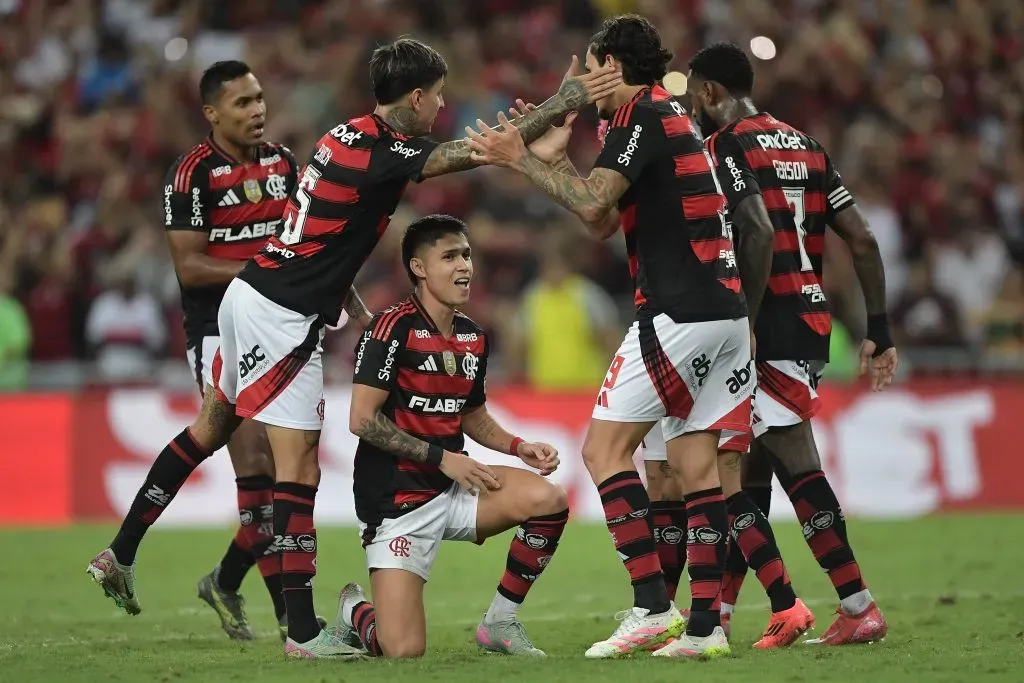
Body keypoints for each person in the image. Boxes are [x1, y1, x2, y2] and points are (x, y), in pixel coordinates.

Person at [90, 37, 621, 660]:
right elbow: (474, 152)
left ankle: (121, 550)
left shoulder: (347, 134)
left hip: (254, 297)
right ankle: (305, 632)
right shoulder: (384, 150)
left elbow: (335, 226)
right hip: (281, 314)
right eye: (440, 96)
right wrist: (569, 98)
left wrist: (340, 292)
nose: (442, 107)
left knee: (212, 426)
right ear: (417, 96)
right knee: (300, 469)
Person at [467, 16, 752, 659]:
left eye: (587, 67)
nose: (579, 84)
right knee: (695, 464)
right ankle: (704, 630)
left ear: (612, 69)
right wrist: (554, 161)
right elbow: (601, 219)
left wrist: (518, 159)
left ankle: (653, 607)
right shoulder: (668, 114)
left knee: (603, 451)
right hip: (725, 316)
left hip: (677, 314)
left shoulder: (640, 116)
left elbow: (593, 204)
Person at [85, 61, 340, 641]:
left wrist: (334, 286)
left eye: (259, 99)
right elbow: (190, 266)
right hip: (218, 331)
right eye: (242, 103)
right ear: (212, 113)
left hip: (281, 329)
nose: (257, 111)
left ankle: (212, 578)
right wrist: (267, 271)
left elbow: (306, 242)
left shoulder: (282, 164)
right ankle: (286, 618)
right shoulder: (191, 174)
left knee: (268, 478)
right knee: (254, 465)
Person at [685, 42, 897, 645]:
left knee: (790, 457)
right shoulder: (807, 145)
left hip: (767, 324)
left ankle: (858, 604)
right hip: (810, 321)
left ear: (709, 92)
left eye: (694, 93)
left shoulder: (725, 144)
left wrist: (743, 320)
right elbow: (861, 239)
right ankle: (727, 615)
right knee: (747, 466)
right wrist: (878, 330)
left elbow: (752, 233)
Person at [334, 214, 567, 659]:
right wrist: (443, 459)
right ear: (419, 268)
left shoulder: (471, 336)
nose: (465, 266)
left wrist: (520, 447)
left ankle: (500, 622)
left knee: (549, 500)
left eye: (467, 255)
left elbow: (472, 416)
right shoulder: (391, 328)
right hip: (397, 500)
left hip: (455, 486)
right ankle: (355, 610)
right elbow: (361, 419)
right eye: (450, 256)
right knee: (401, 650)